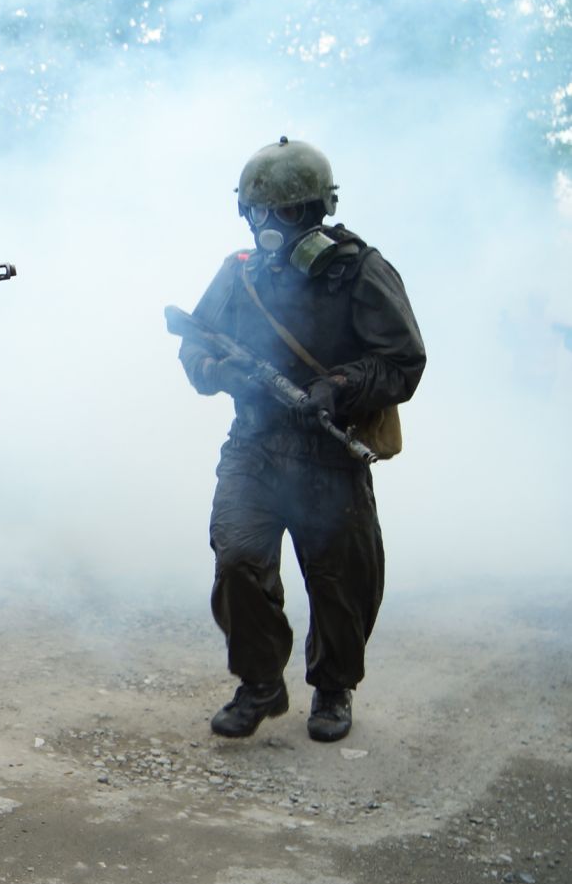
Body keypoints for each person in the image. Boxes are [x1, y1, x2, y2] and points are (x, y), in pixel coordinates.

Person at [177, 136, 425, 744]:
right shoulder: (239, 274)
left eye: (295, 213)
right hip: (255, 448)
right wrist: (219, 373)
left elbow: (404, 360)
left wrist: (339, 386)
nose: (281, 227)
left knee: (342, 582)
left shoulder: (361, 271)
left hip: (330, 453)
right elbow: (196, 345)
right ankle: (260, 684)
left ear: (319, 211)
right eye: (268, 214)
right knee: (237, 561)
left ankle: (333, 687)